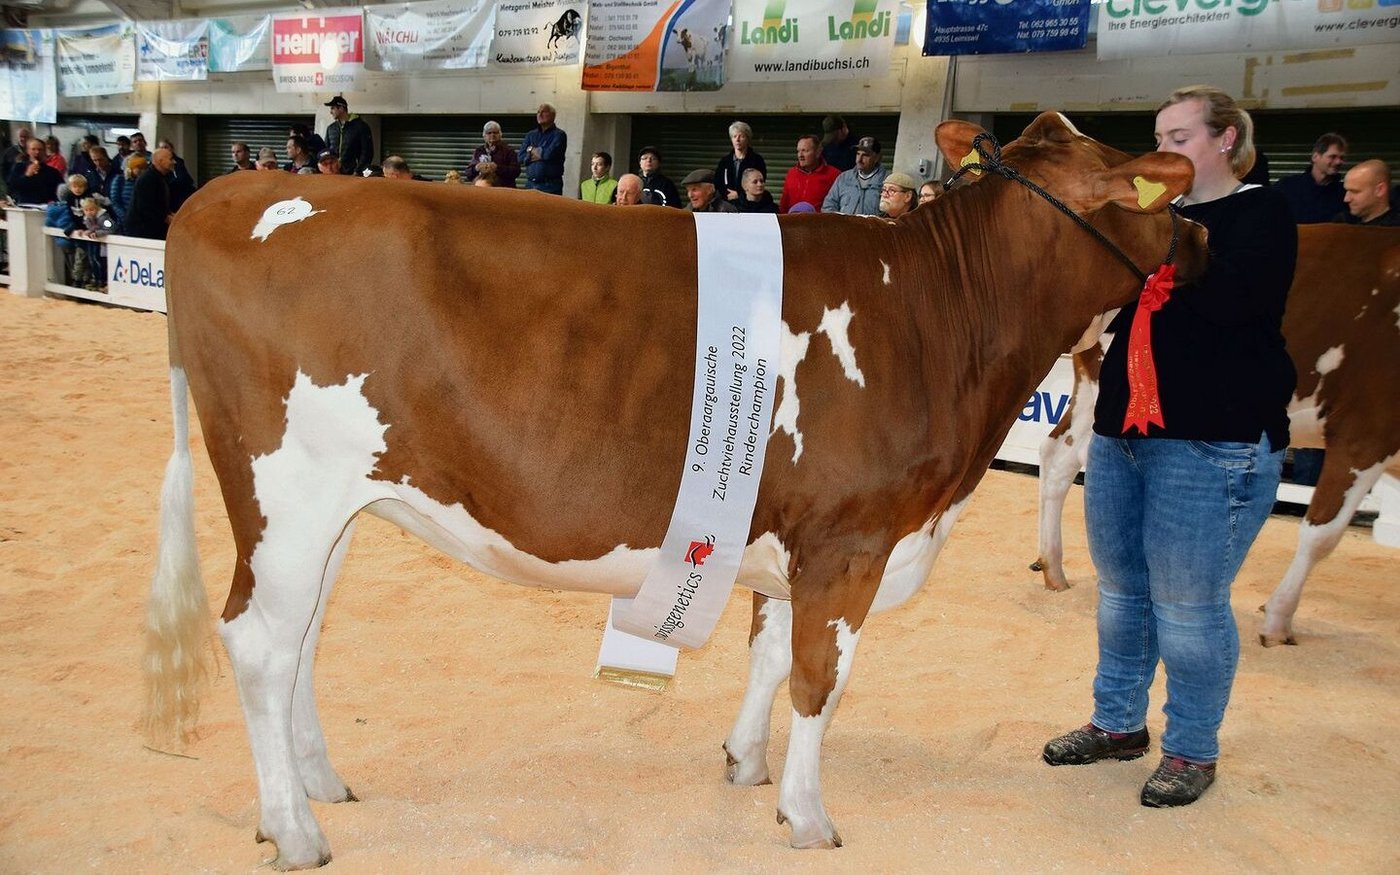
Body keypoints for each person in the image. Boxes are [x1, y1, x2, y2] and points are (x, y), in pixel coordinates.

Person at [1043, 85, 1297, 809]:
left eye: (1180, 136)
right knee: (1121, 594)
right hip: (1124, 429)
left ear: (1225, 140)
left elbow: (1235, 303)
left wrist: (1161, 238)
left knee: (1188, 606)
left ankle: (1191, 747)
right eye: (1159, 137)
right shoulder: (1148, 217)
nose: (1165, 151)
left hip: (1213, 438)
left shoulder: (1262, 212)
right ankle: (1119, 722)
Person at [1274, 133, 1347, 224]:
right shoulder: (1286, 186)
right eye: (1333, 157)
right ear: (1315, 157)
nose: (1338, 162)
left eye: (1342, 158)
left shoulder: (1345, 193)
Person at [822, 136, 889, 216]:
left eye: (865, 155)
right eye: (858, 154)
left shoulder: (887, 181)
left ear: (877, 158)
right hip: (845, 227)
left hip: (872, 227)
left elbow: (890, 212)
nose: (859, 159)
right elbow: (828, 207)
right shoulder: (844, 178)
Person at [779, 134, 840, 214]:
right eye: (798, 151)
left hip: (818, 224)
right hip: (793, 223)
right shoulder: (791, 173)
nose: (800, 155)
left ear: (818, 152)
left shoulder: (834, 175)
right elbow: (784, 204)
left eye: (805, 151)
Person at [125, 147, 175, 240]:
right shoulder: (147, 179)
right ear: (160, 161)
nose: (174, 162)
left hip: (153, 228)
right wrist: (166, 218)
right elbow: (146, 207)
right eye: (171, 159)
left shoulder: (162, 177)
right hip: (143, 232)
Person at [518, 103, 567, 194]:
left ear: (553, 115)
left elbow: (548, 154)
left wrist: (531, 149)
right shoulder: (531, 135)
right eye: (538, 112)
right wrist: (537, 154)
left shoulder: (559, 135)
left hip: (550, 186)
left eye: (544, 112)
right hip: (530, 184)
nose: (540, 114)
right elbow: (520, 157)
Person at [713, 120, 765, 205]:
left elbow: (759, 184)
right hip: (727, 204)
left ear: (747, 139)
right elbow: (718, 183)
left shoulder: (757, 160)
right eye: (734, 136)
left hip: (749, 205)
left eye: (741, 136)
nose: (737, 140)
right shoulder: (725, 161)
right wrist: (726, 195)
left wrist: (739, 195)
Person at [1336, 159, 1399, 226]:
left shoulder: (1394, 229)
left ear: (1380, 190)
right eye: (1347, 191)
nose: (1346, 199)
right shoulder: (1342, 223)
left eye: (1355, 191)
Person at [324, 95, 374, 177]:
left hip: (353, 174)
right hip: (333, 174)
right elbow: (326, 151)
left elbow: (367, 152)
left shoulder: (361, 126)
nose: (330, 112)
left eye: (333, 108)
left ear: (341, 108)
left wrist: (357, 171)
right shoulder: (331, 128)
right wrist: (329, 169)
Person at [7, 136, 64, 204]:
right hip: (24, 205)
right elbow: (12, 187)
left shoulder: (53, 172)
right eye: (33, 149)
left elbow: (60, 190)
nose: (37, 152)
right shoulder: (19, 167)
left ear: (44, 151)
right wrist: (27, 175)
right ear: (28, 151)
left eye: (40, 149)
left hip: (46, 207)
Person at [466, 121, 519, 188]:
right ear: (484, 136)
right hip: (482, 189)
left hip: (503, 190)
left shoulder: (509, 151)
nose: (492, 135)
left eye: (495, 132)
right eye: (489, 133)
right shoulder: (479, 151)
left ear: (500, 134)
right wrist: (477, 168)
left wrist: (497, 168)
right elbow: (468, 173)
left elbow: (516, 171)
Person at [108, 153, 146, 232]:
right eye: (139, 167)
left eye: (144, 168)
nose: (142, 170)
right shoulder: (119, 180)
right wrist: (126, 218)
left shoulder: (145, 182)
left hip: (141, 224)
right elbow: (115, 202)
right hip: (123, 223)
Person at [158, 139, 197, 210]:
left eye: (166, 147)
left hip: (183, 194)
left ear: (172, 148)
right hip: (170, 196)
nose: (164, 150)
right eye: (161, 148)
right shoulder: (159, 164)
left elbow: (185, 178)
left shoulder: (179, 161)